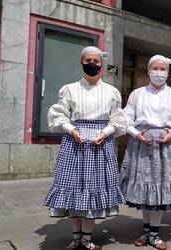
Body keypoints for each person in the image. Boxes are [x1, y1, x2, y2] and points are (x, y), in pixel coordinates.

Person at [44, 46, 126, 250]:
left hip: (101, 143)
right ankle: (76, 238)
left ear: (101, 64)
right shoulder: (69, 89)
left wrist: (105, 133)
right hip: (75, 142)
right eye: (88, 60)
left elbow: (117, 119)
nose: (92, 64)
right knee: (74, 189)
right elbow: (59, 114)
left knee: (92, 190)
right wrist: (71, 129)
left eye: (96, 61)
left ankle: (87, 239)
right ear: (82, 62)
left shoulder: (111, 91)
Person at [120, 55, 171, 250]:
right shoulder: (137, 94)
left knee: (159, 189)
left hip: (166, 146)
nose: (159, 73)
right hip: (142, 144)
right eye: (155, 68)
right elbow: (125, 119)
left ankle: (154, 234)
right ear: (148, 71)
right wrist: (136, 134)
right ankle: (146, 232)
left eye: (163, 69)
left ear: (168, 73)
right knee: (145, 188)